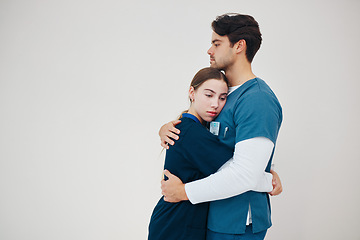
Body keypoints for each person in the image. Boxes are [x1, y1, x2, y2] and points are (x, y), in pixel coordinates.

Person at [160, 13, 283, 240]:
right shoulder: (223, 96)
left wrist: (184, 192)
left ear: (239, 46)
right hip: (212, 216)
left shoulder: (256, 99)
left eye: (217, 43)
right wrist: (168, 127)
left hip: (236, 223)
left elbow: (245, 173)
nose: (209, 50)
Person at [148, 67, 274, 240]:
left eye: (222, 98)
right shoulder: (190, 132)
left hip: (185, 221)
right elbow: (240, 173)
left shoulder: (195, 128)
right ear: (192, 92)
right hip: (175, 225)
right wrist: (270, 181)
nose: (215, 104)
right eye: (209, 95)